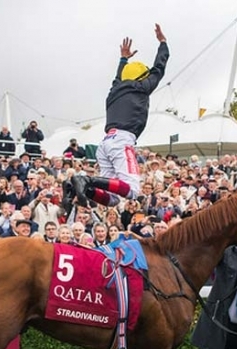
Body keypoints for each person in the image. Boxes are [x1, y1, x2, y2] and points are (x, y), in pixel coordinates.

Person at [64, 24, 169, 211]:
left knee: (112, 199)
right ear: (142, 77)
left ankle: (82, 189)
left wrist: (123, 59)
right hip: (122, 141)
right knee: (134, 190)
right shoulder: (141, 88)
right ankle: (85, 180)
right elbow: (158, 69)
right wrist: (163, 43)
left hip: (106, 143)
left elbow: (117, 78)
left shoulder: (114, 91)